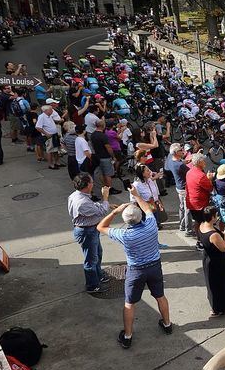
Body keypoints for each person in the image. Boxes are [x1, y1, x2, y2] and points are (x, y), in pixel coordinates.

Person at [98, 186, 173, 349]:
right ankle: (167, 324)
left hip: (136, 270)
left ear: (126, 221)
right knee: (160, 296)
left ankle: (127, 335)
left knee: (129, 303)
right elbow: (147, 208)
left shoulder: (124, 235)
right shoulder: (151, 225)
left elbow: (101, 227)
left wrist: (115, 212)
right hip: (154, 266)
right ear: (141, 217)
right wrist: (137, 195)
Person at [67, 173, 111, 293]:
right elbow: (102, 211)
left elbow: (93, 206)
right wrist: (105, 198)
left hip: (91, 229)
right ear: (87, 185)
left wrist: (106, 204)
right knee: (91, 259)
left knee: (97, 253)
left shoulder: (76, 196)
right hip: (87, 231)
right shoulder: (82, 202)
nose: (93, 183)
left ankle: (98, 276)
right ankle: (92, 286)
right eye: (92, 182)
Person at [198, 206, 225, 317]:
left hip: (208, 258)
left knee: (212, 283)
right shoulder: (213, 235)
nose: (218, 217)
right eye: (216, 215)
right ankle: (219, 307)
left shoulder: (201, 225)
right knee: (219, 284)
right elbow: (224, 248)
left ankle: (218, 304)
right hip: (216, 262)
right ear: (212, 217)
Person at [185, 152, 215, 239]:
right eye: (203, 161)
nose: (205, 163)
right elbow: (210, 188)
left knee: (197, 221)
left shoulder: (189, 172)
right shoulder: (201, 176)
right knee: (202, 222)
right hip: (200, 204)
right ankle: (201, 240)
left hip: (191, 202)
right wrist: (209, 179)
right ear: (198, 162)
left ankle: (199, 239)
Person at [166, 143, 193, 237]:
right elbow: (190, 172)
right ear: (176, 152)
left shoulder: (171, 161)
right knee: (188, 209)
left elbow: (179, 163)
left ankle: (181, 226)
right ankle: (188, 229)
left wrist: (185, 161)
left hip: (178, 187)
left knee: (182, 207)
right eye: (181, 150)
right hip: (184, 188)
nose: (183, 151)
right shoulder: (180, 165)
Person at [91, 119, 121, 195]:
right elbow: (108, 147)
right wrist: (113, 156)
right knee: (108, 174)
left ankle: (105, 187)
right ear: (103, 126)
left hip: (97, 156)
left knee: (102, 173)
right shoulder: (103, 136)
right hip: (105, 157)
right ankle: (109, 188)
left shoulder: (93, 134)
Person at [35, 104, 63, 170]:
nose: (52, 111)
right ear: (46, 110)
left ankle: (57, 162)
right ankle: (51, 164)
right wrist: (46, 133)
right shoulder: (42, 117)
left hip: (54, 135)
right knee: (50, 150)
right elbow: (38, 127)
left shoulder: (49, 116)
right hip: (49, 136)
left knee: (56, 149)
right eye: (51, 110)